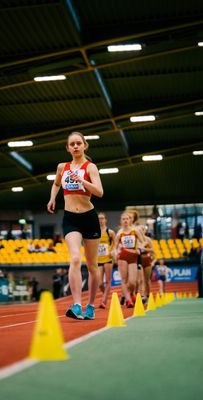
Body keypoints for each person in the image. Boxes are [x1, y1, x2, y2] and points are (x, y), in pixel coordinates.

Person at [47, 132, 104, 320]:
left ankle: (90, 305)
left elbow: (100, 192)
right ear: (67, 148)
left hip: (89, 217)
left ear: (85, 145)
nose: (76, 146)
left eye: (79, 143)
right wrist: (53, 198)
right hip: (70, 217)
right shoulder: (62, 167)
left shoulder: (91, 167)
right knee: (75, 259)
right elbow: (56, 184)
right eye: (72, 144)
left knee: (93, 266)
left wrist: (82, 180)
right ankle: (77, 304)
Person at [114, 212, 139, 308]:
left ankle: (132, 293)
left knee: (132, 282)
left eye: (127, 219)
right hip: (122, 257)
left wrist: (139, 249)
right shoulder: (119, 233)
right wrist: (116, 253)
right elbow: (115, 247)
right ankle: (128, 300)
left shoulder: (135, 231)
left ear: (130, 220)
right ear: (121, 221)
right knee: (124, 280)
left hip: (133, 257)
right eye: (123, 219)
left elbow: (142, 242)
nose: (125, 220)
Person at [96, 212, 116, 309]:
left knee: (108, 281)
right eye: (99, 218)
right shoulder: (95, 231)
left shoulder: (110, 232)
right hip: (99, 259)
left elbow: (115, 243)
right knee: (100, 283)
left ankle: (103, 301)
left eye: (102, 218)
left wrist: (111, 250)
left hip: (107, 258)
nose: (101, 220)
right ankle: (106, 295)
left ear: (105, 220)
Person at [136, 225, 155, 306]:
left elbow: (153, 250)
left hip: (147, 259)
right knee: (140, 280)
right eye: (140, 229)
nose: (142, 231)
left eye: (143, 229)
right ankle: (140, 296)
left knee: (147, 280)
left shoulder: (148, 239)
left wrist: (144, 249)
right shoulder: (136, 239)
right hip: (138, 259)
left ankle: (148, 296)